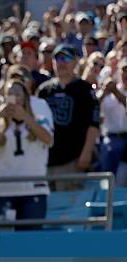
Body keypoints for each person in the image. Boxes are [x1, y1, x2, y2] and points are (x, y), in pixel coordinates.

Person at [0, 79, 53, 229]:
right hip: (6, 191)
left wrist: (26, 117)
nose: (14, 97)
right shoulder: (1, 124)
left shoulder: (38, 119)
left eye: (18, 93)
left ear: (25, 97)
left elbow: (48, 140)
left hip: (33, 189)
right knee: (5, 241)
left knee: (30, 241)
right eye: (10, 93)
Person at [36, 44, 100, 191]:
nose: (61, 62)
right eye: (57, 58)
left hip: (72, 161)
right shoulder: (44, 91)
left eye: (66, 58)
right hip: (46, 160)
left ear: (75, 62)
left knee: (69, 210)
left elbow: (93, 123)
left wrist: (87, 152)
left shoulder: (84, 89)